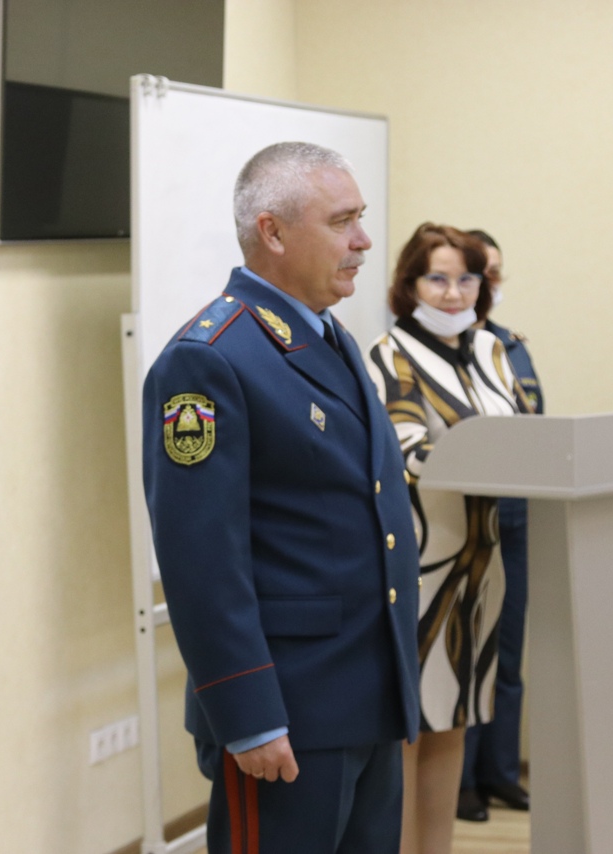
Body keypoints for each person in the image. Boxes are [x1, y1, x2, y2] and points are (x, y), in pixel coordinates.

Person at [142, 142, 421, 854]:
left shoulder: (328, 336)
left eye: (360, 218)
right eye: (342, 222)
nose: (363, 240)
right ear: (272, 232)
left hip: (366, 694)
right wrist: (250, 715)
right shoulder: (210, 358)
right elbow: (202, 560)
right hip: (289, 712)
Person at [365, 223, 531, 854]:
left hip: (482, 567)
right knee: (411, 730)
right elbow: (411, 453)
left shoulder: (493, 349)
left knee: (453, 724)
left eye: (467, 278)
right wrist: (498, 456)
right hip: (420, 565)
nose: (455, 292)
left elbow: (524, 434)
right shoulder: (389, 355)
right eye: (437, 278)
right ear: (409, 285)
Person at [456, 229, 541, 822]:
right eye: (481, 273)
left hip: (516, 514)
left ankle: (500, 773)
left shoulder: (512, 346)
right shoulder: (439, 348)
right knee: (465, 657)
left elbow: (536, 420)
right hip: (463, 520)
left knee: (509, 654)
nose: (491, 284)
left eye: (495, 274)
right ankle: (461, 782)